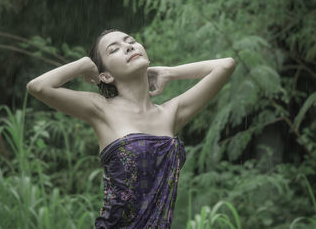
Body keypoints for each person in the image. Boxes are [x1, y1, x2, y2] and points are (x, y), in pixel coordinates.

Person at [26, 29, 236, 228]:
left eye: (131, 41)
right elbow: (38, 87)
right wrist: (83, 64)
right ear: (106, 76)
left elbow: (225, 65)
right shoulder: (101, 109)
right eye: (113, 49)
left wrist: (170, 72)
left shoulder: (171, 113)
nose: (128, 47)